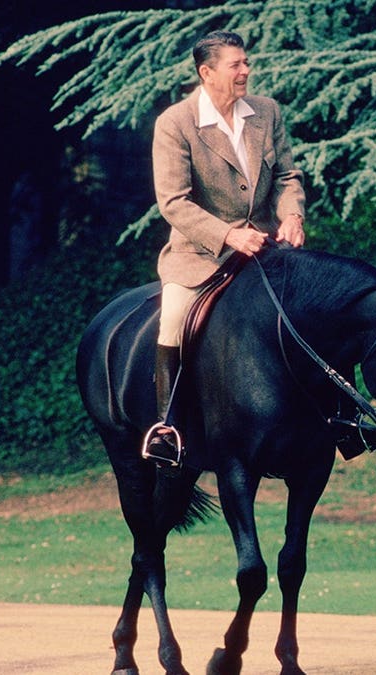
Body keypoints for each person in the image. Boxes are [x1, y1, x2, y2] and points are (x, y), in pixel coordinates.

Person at [142, 30, 307, 466]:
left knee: (316, 309)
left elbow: (287, 177)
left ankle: (340, 419)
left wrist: (292, 215)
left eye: (246, 62)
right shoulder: (175, 123)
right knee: (173, 321)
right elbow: (173, 202)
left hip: (268, 249)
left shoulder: (267, 112)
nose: (246, 70)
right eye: (236, 65)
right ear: (207, 72)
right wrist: (229, 236)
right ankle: (167, 429)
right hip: (201, 256)